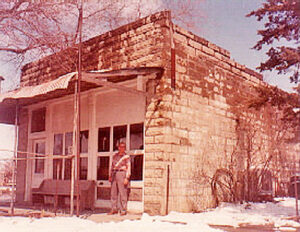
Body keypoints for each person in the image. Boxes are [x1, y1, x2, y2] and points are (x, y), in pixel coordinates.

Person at [108, 142, 131, 215]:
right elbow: (112, 165)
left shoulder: (126, 157)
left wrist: (127, 178)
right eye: (120, 147)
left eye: (123, 147)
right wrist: (110, 175)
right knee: (113, 193)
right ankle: (114, 208)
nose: (122, 148)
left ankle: (123, 210)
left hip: (122, 173)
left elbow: (129, 167)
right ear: (118, 148)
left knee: (122, 192)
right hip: (114, 173)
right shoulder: (115, 156)